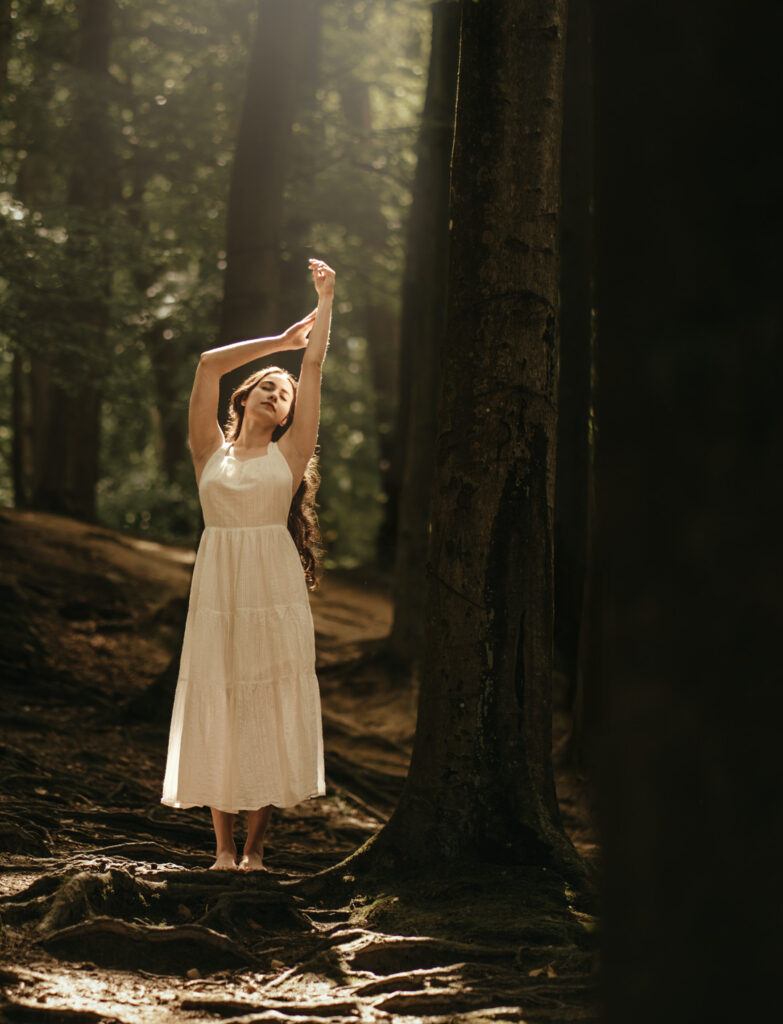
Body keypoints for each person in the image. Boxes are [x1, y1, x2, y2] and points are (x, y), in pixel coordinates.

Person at [161, 258, 335, 871]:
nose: (276, 389)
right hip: (218, 586)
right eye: (267, 383)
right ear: (246, 397)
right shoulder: (208, 449)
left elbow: (314, 368)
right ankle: (222, 850)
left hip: (273, 585)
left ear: (289, 414)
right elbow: (208, 362)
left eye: (283, 391)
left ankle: (257, 850)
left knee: (268, 702)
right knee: (222, 697)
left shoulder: (290, 455)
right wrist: (281, 342)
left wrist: (326, 301)